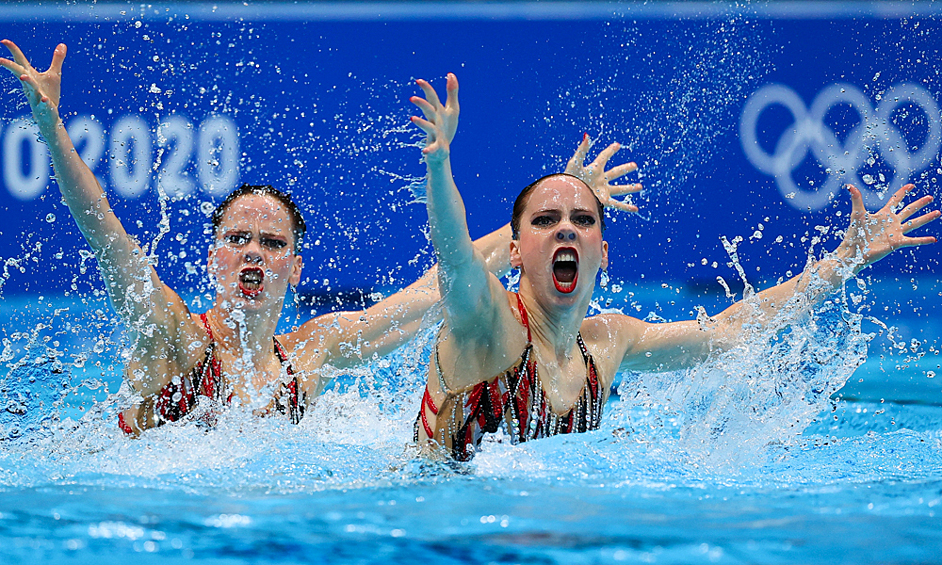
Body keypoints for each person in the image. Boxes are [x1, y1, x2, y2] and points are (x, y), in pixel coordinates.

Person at [408, 73, 940, 461]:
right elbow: (455, 258)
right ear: (516, 251)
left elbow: (732, 328)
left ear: (604, 254)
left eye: (582, 220)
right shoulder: (489, 322)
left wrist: (845, 261)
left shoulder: (606, 344)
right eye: (546, 220)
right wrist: (439, 164)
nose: (566, 229)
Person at [0, 41, 513, 436]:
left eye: (272, 243)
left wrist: (553, 217)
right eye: (238, 238)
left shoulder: (312, 352)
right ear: (212, 259)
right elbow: (102, 228)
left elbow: (437, 286)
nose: (253, 251)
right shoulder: (176, 336)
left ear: (295, 268)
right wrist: (51, 126)